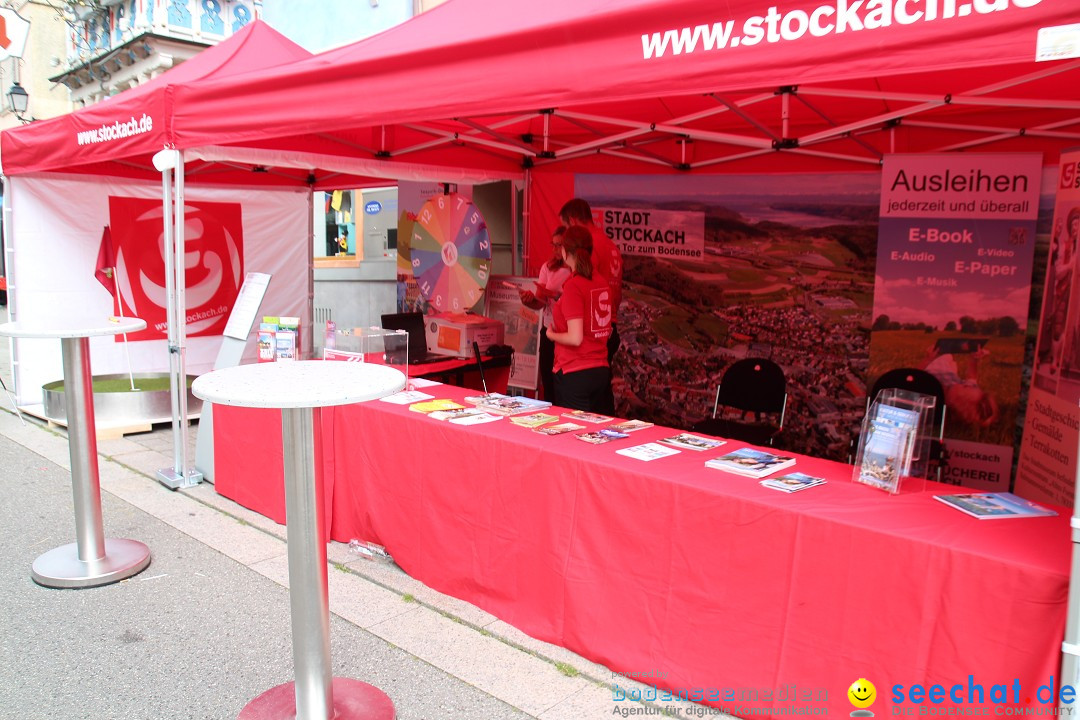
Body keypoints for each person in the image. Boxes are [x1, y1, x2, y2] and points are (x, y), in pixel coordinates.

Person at [546, 225, 615, 414]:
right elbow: (606, 331)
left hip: (574, 371)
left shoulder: (574, 286)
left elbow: (575, 338)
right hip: (600, 370)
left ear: (566, 252)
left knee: (574, 436)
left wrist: (551, 335)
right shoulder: (600, 281)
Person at [559, 198, 623, 363]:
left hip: (592, 331)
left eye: (566, 228)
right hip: (608, 324)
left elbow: (581, 285)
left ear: (573, 221)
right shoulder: (610, 244)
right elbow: (617, 293)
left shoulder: (589, 245)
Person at [519, 226, 572, 402]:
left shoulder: (575, 270)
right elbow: (539, 303)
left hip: (567, 335)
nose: (555, 249)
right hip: (549, 332)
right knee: (549, 384)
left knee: (566, 386)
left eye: (559, 245)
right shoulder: (547, 268)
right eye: (553, 245)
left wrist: (557, 296)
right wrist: (528, 300)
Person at [922, 342, 999, 428]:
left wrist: (927, 360)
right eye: (973, 387)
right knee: (947, 357)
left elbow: (914, 375)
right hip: (948, 372)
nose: (969, 384)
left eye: (965, 386)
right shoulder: (961, 392)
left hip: (933, 370)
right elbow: (972, 377)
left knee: (943, 357)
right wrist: (974, 359)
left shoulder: (932, 393)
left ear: (955, 402)